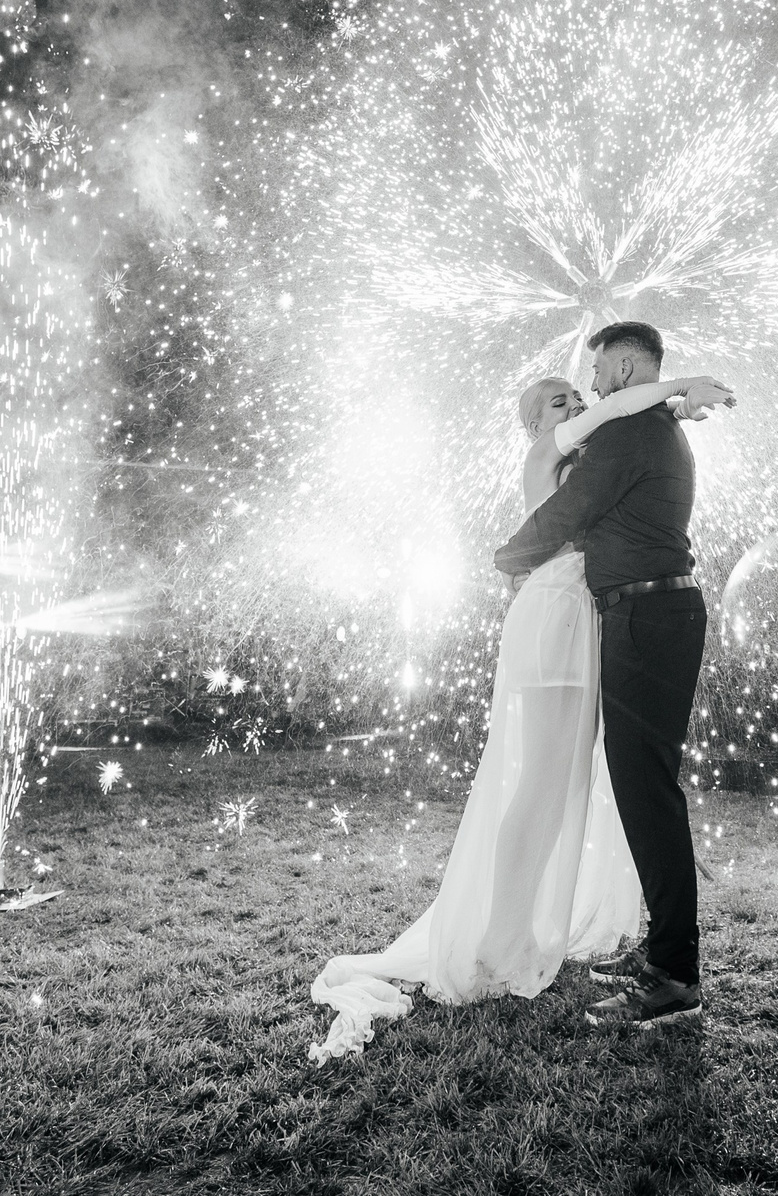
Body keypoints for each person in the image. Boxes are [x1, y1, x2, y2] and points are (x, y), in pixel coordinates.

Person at [305, 352, 734, 1061]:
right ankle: (501, 936)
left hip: (577, 619)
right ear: (535, 422)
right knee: (540, 784)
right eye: (560, 399)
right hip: (556, 621)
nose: (577, 401)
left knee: (558, 784)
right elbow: (614, 415)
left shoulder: (600, 444)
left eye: (577, 393)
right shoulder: (551, 447)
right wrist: (680, 388)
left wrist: (677, 408)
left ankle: (522, 928)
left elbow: (624, 429)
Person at [494, 320, 710, 1030]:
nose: (587, 389)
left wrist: (506, 558)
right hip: (647, 613)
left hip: (647, 617)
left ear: (621, 368)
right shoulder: (651, 426)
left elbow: (570, 510)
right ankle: (664, 951)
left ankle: (674, 973)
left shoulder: (627, 431)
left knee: (647, 789)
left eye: (593, 375)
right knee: (641, 784)